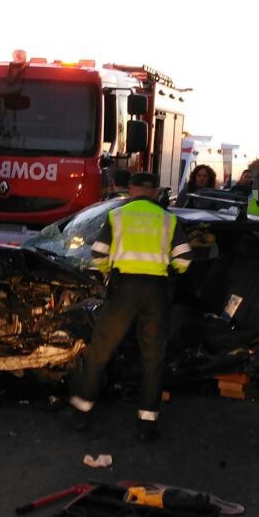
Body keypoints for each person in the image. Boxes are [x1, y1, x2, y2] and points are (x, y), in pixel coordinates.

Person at [68, 173, 192, 442]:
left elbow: (99, 254)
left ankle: (81, 414)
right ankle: (146, 425)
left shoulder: (117, 217)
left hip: (123, 291)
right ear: (155, 191)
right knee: (153, 359)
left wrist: (102, 275)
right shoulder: (168, 220)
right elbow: (184, 260)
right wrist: (169, 273)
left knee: (99, 352)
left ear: (132, 189)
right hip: (156, 292)